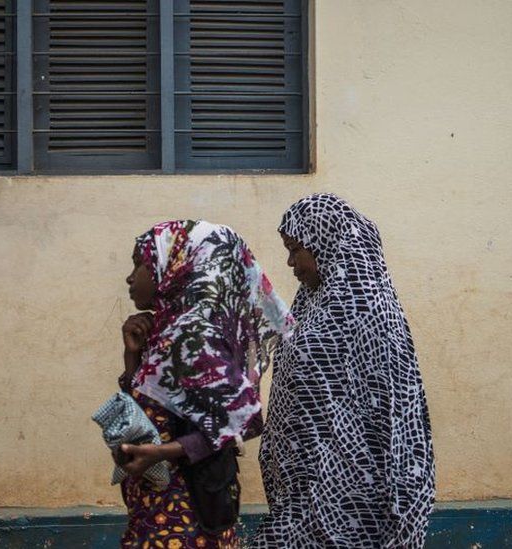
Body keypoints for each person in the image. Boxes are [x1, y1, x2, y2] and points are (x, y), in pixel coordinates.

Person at [253, 194, 435, 548]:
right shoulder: (310, 301)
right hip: (301, 490)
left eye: (296, 249)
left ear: (325, 243)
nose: (290, 262)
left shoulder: (370, 311)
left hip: (352, 497)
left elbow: (397, 411)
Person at [116, 220, 293, 549]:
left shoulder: (194, 334)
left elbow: (243, 419)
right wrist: (133, 356)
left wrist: (160, 453)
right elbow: (145, 412)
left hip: (184, 514)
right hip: (155, 506)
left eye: (139, 262)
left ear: (175, 266)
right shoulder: (165, 328)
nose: (130, 276)